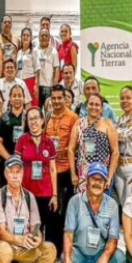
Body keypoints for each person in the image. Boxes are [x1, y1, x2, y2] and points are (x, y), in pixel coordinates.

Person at [0, 155, 57, 263]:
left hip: (26, 246)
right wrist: (19, 240)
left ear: (23, 174)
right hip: (7, 244)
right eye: (11, 171)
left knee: (50, 249)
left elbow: (35, 226)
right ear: (6, 174)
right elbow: (0, 231)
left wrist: (37, 238)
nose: (15, 175)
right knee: (4, 249)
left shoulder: (29, 197)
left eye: (18, 171)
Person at [63, 162, 124, 263]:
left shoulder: (112, 205)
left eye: (100, 179)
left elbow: (113, 238)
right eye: (93, 178)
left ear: (105, 183)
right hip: (79, 252)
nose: (97, 183)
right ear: (87, 180)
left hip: (99, 253)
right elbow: (68, 234)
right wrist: (67, 256)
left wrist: (105, 257)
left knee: (119, 258)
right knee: (67, 256)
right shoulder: (75, 202)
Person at [15, 107, 60, 247]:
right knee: (28, 224)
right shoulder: (22, 140)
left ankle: (47, 254)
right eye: (30, 119)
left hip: (45, 192)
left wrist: (54, 194)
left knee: (46, 224)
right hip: (27, 192)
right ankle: (28, 251)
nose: (33, 122)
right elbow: (16, 168)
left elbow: (53, 169)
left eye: (36, 118)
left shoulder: (49, 142)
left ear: (42, 121)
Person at [69, 93, 119, 194]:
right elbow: (70, 149)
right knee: (83, 206)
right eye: (91, 104)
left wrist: (109, 177)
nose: (94, 107)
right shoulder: (79, 123)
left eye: (97, 105)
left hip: (101, 175)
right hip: (83, 176)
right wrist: (73, 174)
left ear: (101, 108)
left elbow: (115, 152)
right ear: (86, 106)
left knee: (101, 207)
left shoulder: (107, 124)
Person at [45, 85, 77, 231]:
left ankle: (65, 245)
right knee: (52, 208)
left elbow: (76, 145)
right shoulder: (48, 116)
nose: (56, 101)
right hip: (50, 170)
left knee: (65, 210)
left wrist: (63, 151)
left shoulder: (73, 118)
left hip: (66, 170)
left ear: (65, 99)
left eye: (59, 98)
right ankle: (53, 246)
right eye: (54, 98)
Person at [0, 85, 27, 177]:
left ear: (24, 98)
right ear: (10, 98)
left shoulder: (28, 117)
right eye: (14, 95)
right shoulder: (4, 117)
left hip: (24, 163)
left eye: (19, 95)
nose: (17, 98)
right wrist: (10, 159)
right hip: (6, 162)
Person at [35, 28, 60, 108]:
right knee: (37, 108)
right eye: (42, 35)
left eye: (46, 35)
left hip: (48, 86)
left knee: (48, 109)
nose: (44, 37)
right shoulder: (34, 50)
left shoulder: (54, 51)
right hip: (37, 86)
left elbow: (56, 69)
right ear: (39, 37)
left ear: (49, 38)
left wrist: (55, 84)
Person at [15, 28, 38, 106]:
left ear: (30, 38)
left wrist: (36, 85)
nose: (25, 37)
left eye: (27, 35)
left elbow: (37, 69)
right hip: (19, 81)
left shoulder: (34, 51)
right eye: (24, 35)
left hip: (30, 81)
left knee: (31, 105)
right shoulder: (19, 52)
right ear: (21, 37)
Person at [0, 16, 18, 80]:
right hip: (1, 74)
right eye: (5, 22)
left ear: (11, 25)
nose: (7, 24)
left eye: (9, 22)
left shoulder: (17, 39)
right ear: (1, 24)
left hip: (14, 74)